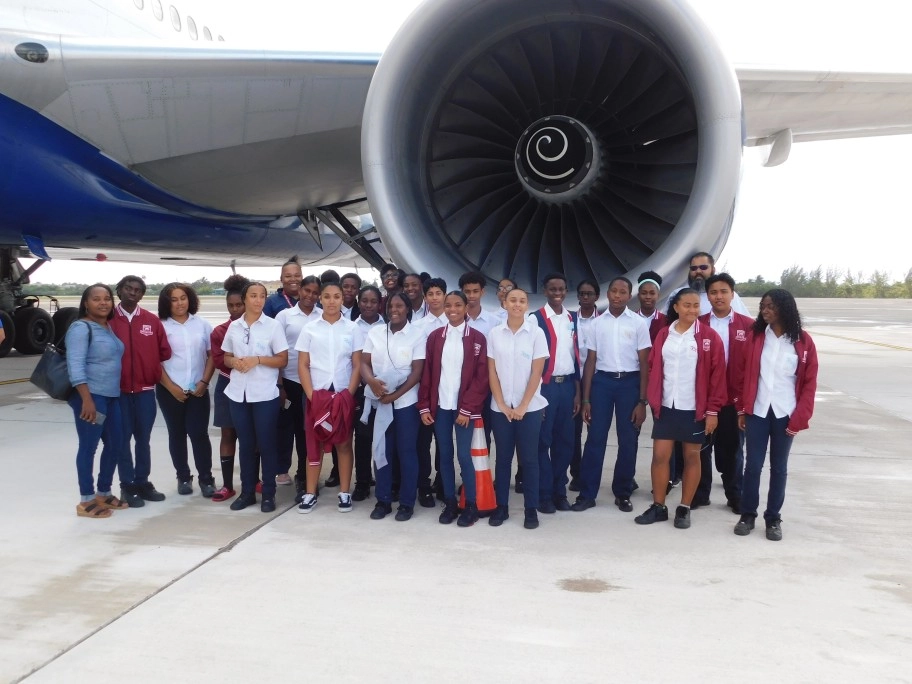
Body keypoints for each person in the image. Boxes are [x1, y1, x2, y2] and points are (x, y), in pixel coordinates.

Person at [634, 288, 727, 529]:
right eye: (687, 305)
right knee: (660, 456)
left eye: (696, 305)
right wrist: (652, 399)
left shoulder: (709, 337)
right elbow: (654, 365)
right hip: (666, 406)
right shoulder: (665, 334)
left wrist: (713, 411)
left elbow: (718, 376)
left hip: (693, 408)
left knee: (691, 457)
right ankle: (659, 506)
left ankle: (684, 508)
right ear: (676, 307)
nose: (692, 310)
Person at [735, 289, 818, 541]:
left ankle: (773, 519)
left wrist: (799, 418)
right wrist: (742, 408)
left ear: (785, 308)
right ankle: (747, 514)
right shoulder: (756, 336)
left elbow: (809, 384)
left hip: (785, 413)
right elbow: (742, 375)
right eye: (763, 306)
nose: (765, 310)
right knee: (753, 466)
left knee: (779, 468)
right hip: (758, 411)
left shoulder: (803, 342)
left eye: (770, 306)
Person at [573, 277, 651, 513]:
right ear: (607, 294)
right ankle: (587, 493)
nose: (617, 295)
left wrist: (642, 401)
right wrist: (586, 399)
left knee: (628, 440)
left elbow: (645, 363)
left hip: (630, 383)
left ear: (629, 296)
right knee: (595, 438)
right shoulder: (597, 324)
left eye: (622, 292)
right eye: (613, 291)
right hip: (602, 384)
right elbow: (590, 362)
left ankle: (623, 491)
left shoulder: (638, 323)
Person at [418, 291, 489, 527]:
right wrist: (424, 406)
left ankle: (470, 505)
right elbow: (428, 374)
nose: (452, 309)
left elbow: (481, 379)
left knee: (464, 456)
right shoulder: (436, 337)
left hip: (463, 410)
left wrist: (467, 408)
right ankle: (449, 502)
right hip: (441, 407)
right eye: (448, 305)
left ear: (466, 306)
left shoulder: (477, 338)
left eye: (458, 305)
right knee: (445, 456)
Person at [295, 281, 364, 514]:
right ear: (320, 299)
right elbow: (303, 365)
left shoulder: (353, 329)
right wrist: (312, 395)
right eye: (327, 296)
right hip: (317, 394)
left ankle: (344, 492)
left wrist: (349, 394)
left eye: (337, 296)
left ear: (342, 299)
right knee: (314, 443)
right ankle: (310, 493)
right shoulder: (310, 328)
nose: (332, 301)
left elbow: (356, 365)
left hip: (343, 394)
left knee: (344, 443)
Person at [221, 282, 289, 512]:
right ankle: (248, 492)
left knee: (267, 444)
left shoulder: (273, 326)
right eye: (253, 296)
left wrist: (257, 360)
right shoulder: (235, 327)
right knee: (246, 445)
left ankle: (268, 493)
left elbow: (282, 359)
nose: (258, 300)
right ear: (245, 299)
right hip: (238, 394)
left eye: (262, 296)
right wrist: (235, 362)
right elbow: (226, 356)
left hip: (264, 395)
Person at [66, 284, 129, 518]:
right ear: (86, 303)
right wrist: (87, 399)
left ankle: (103, 492)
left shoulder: (106, 327)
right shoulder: (81, 328)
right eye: (96, 299)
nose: (103, 303)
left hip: (112, 397)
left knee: (115, 444)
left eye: (107, 299)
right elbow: (75, 365)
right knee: (89, 447)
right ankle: (86, 499)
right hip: (92, 397)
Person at [487, 287, 548, 530]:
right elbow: (492, 371)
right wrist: (501, 403)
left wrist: (523, 406)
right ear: (504, 304)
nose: (517, 304)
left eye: (522, 301)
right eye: (512, 300)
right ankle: (501, 506)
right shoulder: (494, 334)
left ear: (527, 305)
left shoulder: (536, 333)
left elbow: (537, 371)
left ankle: (530, 508)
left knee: (529, 460)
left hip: (530, 408)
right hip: (500, 408)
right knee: (502, 458)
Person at [361, 293, 426, 521]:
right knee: (382, 451)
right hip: (381, 403)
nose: (394, 310)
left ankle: (407, 503)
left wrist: (395, 395)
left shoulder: (418, 335)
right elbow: (364, 363)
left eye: (399, 306)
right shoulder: (375, 332)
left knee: (407, 453)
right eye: (390, 306)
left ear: (408, 309)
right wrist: (371, 382)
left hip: (406, 404)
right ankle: (383, 500)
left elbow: (417, 372)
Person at [109, 275, 172, 507]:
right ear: (119, 290)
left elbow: (164, 351)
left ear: (142, 295)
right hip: (119, 392)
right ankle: (127, 486)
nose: (132, 293)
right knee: (123, 440)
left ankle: (143, 482)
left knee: (143, 439)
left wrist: (148, 365)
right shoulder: (108, 321)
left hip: (145, 390)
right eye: (128, 288)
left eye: (137, 290)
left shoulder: (151, 321)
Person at [693, 273, 753, 512]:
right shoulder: (698, 324)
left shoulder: (748, 326)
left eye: (723, 292)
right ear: (707, 296)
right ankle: (700, 492)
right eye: (713, 292)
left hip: (732, 400)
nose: (719, 296)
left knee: (733, 450)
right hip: (704, 398)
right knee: (701, 448)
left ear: (732, 294)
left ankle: (734, 494)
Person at [156, 282, 216, 496]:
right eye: (173, 299)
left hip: (198, 390)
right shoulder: (160, 325)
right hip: (169, 390)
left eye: (183, 298)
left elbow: (212, 356)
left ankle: (206, 479)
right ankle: (183, 477)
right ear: (166, 303)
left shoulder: (201, 325)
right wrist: (171, 387)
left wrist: (204, 382)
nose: (179, 303)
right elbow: (155, 361)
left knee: (199, 434)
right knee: (177, 434)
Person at [531, 273, 580, 514]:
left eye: (561, 288)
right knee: (543, 442)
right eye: (552, 289)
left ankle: (560, 491)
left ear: (566, 290)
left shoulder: (572, 318)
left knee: (565, 443)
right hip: (545, 387)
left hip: (567, 386)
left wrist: (578, 392)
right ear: (545, 291)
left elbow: (577, 356)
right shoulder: (535, 319)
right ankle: (544, 493)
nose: (557, 293)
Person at [275, 275, 322, 498]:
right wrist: (280, 384)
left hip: (312, 384)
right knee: (287, 431)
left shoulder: (322, 316)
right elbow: (277, 351)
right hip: (290, 382)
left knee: (307, 434)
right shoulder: (284, 316)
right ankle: (283, 471)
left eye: (315, 292)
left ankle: (304, 476)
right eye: (307, 291)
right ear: (300, 290)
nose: (310, 296)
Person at [209, 275, 250, 502]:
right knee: (228, 433)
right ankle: (226, 485)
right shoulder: (219, 331)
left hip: (252, 383)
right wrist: (238, 365)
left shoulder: (257, 326)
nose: (235, 310)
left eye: (238, 305)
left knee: (250, 436)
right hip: (227, 383)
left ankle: (253, 480)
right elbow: (218, 360)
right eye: (230, 306)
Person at [413, 277, 448, 505]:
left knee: (444, 442)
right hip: (423, 391)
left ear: (445, 295)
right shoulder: (417, 327)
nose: (435, 298)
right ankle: (423, 485)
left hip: (446, 392)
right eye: (431, 294)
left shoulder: (454, 323)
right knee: (422, 442)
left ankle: (443, 482)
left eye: (438, 293)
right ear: (425, 298)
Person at [351, 285, 385, 501]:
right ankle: (363, 482)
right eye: (364, 301)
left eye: (373, 301)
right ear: (358, 302)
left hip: (383, 389)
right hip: (360, 390)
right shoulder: (351, 327)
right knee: (362, 438)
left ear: (380, 303)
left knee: (383, 437)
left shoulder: (388, 325)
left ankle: (384, 480)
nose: (369, 305)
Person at [569, 278, 599, 492]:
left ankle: (589, 473)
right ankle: (576, 474)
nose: (585, 297)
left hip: (597, 381)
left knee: (594, 430)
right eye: (582, 293)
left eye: (589, 293)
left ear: (597, 296)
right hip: (574, 379)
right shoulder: (569, 320)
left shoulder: (604, 320)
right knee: (573, 432)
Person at [660, 252, 750, 316]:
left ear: (713, 270)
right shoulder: (677, 294)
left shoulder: (727, 296)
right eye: (693, 268)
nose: (698, 271)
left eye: (703, 267)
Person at [459, 271, 499, 338]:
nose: (471, 295)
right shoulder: (452, 319)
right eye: (467, 292)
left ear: (482, 292)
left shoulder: (495, 322)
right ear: (461, 292)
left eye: (475, 291)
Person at [636, 271, 668, 344]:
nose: (648, 297)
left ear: (658, 295)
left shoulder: (666, 321)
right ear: (638, 295)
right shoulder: (630, 318)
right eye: (644, 293)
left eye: (652, 293)